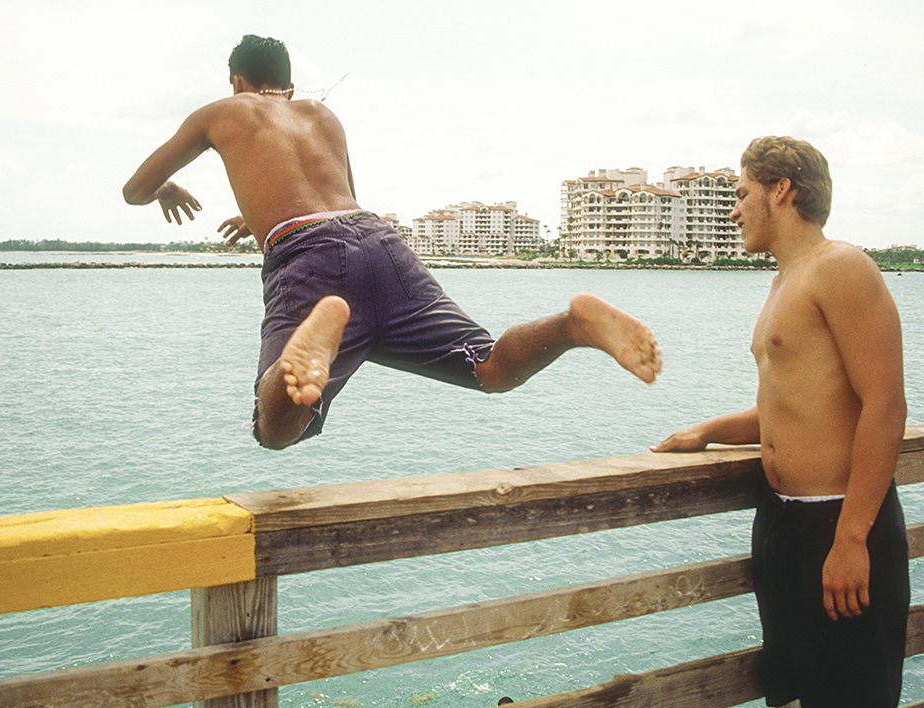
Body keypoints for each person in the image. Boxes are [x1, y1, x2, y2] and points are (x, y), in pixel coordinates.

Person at [124, 35, 662, 450]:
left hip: (308, 261)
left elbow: (135, 190)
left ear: (236, 79)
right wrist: (260, 213)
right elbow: (338, 204)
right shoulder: (322, 114)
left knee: (275, 429)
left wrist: (169, 189)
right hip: (378, 242)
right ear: (288, 84)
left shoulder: (222, 111)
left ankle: (316, 337)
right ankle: (573, 326)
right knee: (490, 369)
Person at [651, 136, 908, 708]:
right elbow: (792, 407)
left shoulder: (842, 267)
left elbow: (885, 405)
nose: (734, 210)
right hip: (785, 526)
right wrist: (708, 430)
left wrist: (851, 539)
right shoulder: (782, 283)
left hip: (843, 523)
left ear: (782, 191)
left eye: (741, 194)